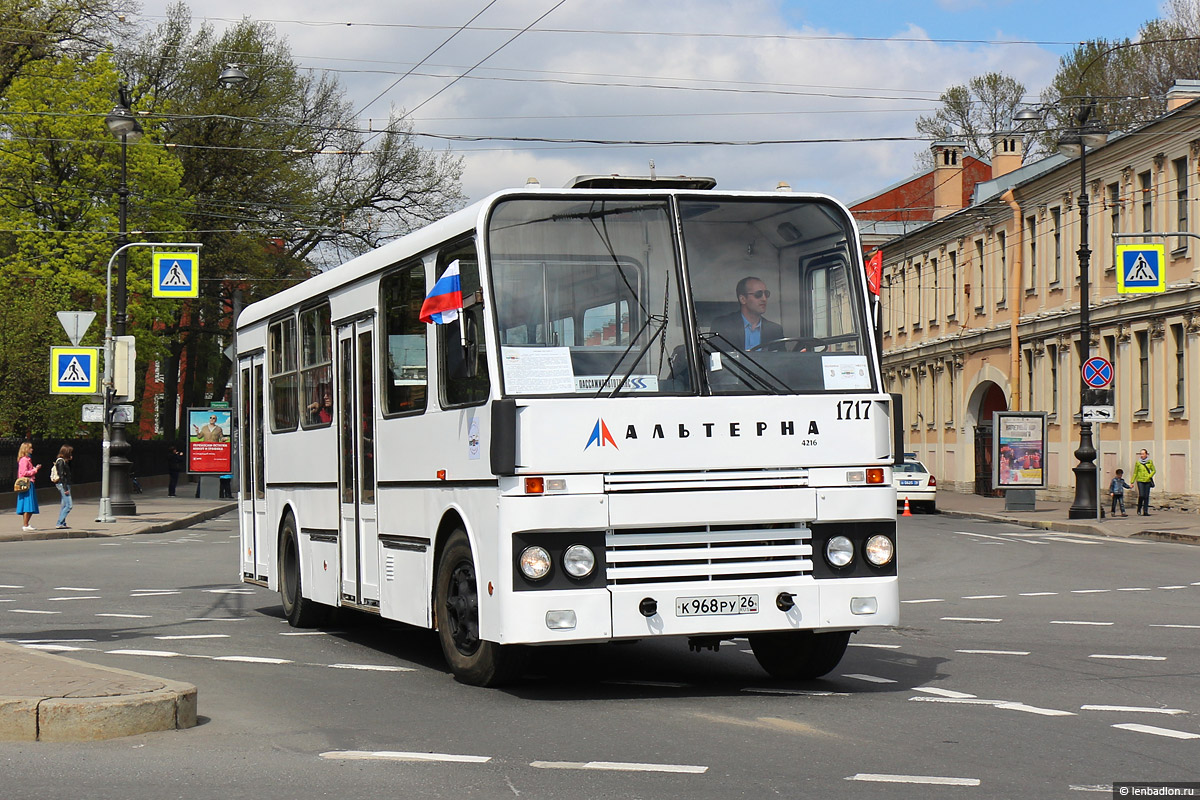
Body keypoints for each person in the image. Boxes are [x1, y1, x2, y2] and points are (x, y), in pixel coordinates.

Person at [708, 276, 784, 350]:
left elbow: (783, 361)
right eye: (758, 294)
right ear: (743, 299)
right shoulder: (723, 325)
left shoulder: (775, 330)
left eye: (766, 294)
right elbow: (716, 358)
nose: (764, 299)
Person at [14, 441, 40, 532]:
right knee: (28, 504)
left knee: (30, 504)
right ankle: (25, 524)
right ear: (26, 449)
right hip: (27, 484)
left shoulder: (27, 459)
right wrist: (35, 470)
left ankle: (27, 524)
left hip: (29, 483)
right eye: (30, 448)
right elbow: (24, 473)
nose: (32, 449)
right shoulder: (24, 460)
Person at [52, 445, 74, 529]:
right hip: (63, 484)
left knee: (64, 504)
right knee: (69, 505)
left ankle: (63, 522)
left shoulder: (64, 461)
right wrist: (65, 488)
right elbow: (61, 475)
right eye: (70, 452)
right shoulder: (60, 462)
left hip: (65, 484)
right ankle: (59, 522)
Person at [1132, 449, 1156, 516]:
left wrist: (1149, 476)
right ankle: (1139, 508)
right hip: (1140, 480)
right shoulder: (1138, 463)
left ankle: (1145, 511)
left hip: (1147, 481)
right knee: (1141, 495)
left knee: (1146, 496)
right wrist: (1132, 481)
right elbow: (1135, 472)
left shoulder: (1150, 462)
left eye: (1143, 454)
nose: (1142, 455)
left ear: (1146, 454)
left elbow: (1154, 470)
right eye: (1141, 454)